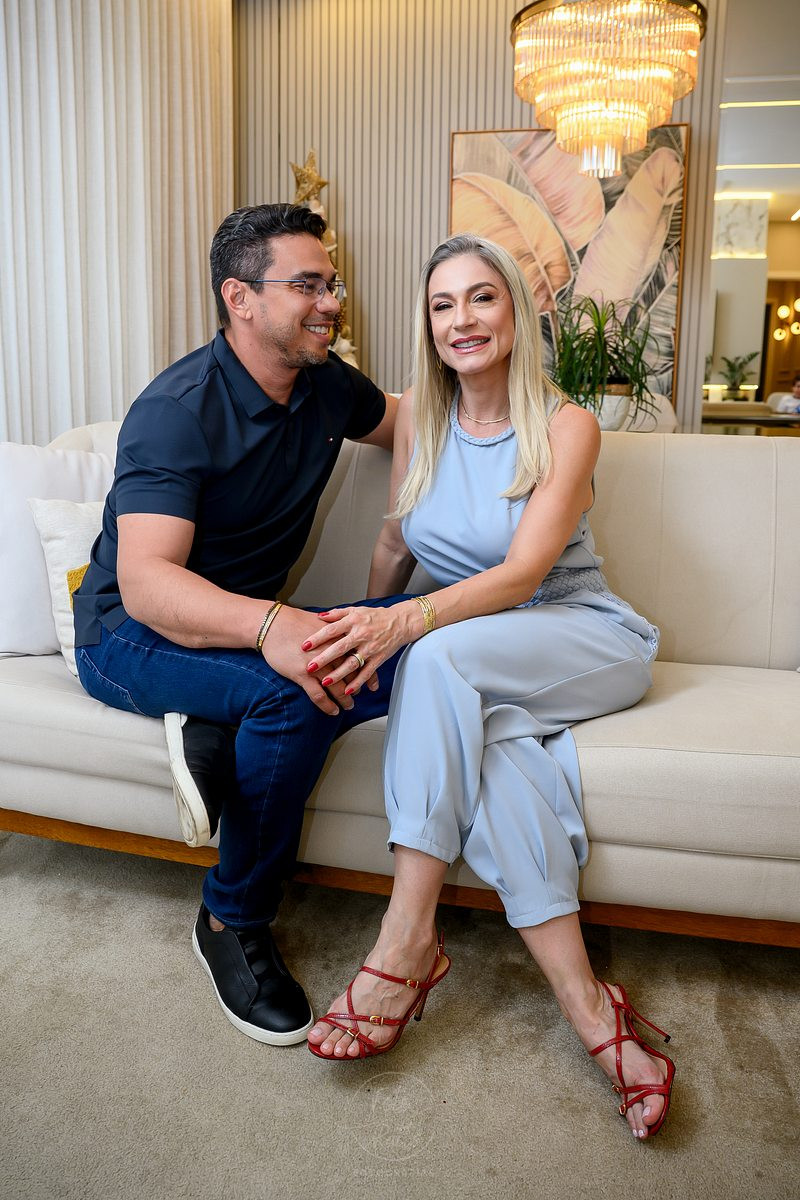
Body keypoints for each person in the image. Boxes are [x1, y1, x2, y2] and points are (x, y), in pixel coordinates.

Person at [304, 235, 674, 1141]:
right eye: (443, 304)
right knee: (499, 761)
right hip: (480, 649)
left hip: (581, 632)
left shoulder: (566, 426)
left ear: (515, 312)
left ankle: (406, 941)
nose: (461, 319)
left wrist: (403, 628)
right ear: (427, 325)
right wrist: (367, 630)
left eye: (481, 298)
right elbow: (395, 542)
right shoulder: (419, 424)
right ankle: (593, 1011)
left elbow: (522, 575)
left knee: (437, 658)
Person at [73, 203, 405, 1048]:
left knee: (412, 637)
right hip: (128, 635)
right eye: (308, 285)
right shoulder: (175, 409)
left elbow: (411, 423)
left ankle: (213, 723)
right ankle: (231, 919)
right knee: (297, 690)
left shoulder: (329, 385)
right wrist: (274, 629)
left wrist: (405, 523)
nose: (332, 302)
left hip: (240, 631)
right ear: (240, 297)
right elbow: (148, 584)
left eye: (332, 283)